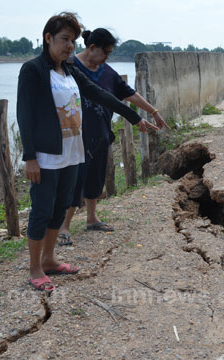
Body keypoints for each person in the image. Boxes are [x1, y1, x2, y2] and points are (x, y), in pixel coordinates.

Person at [17, 13, 158, 291]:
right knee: (42, 210)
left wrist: (134, 118)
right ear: (48, 39)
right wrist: (30, 157)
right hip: (46, 157)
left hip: (72, 152)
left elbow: (100, 94)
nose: (69, 46)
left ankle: (49, 260)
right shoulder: (32, 70)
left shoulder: (68, 70)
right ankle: (34, 269)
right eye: (63, 40)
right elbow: (25, 115)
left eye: (72, 40)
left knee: (60, 208)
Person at [57, 28, 169, 246]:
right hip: (75, 136)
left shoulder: (107, 72)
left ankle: (91, 218)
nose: (107, 57)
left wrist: (153, 111)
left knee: (96, 176)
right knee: (75, 180)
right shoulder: (70, 68)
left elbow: (129, 94)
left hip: (100, 135)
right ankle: (64, 226)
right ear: (91, 48)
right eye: (105, 52)